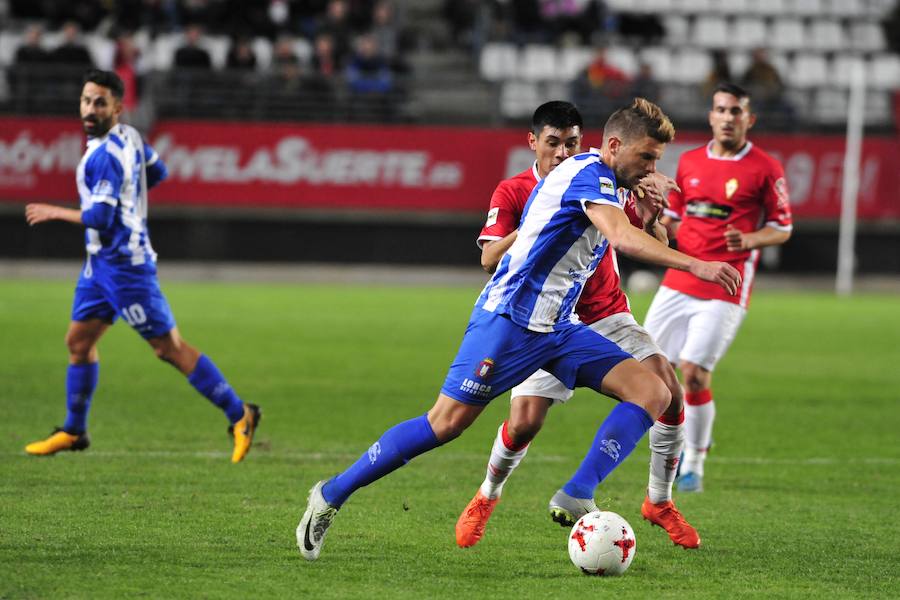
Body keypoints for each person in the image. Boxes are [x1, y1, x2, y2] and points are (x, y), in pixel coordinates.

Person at [296, 98, 741, 561]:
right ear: (614, 145)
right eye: (647, 157)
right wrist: (698, 266)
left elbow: (637, 232)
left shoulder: (611, 179)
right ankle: (330, 494)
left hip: (559, 327)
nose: (652, 167)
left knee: (655, 392)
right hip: (508, 323)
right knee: (445, 424)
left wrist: (649, 212)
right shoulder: (588, 175)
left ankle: (577, 492)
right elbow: (622, 239)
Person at [454, 101, 700, 550]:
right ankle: (486, 496)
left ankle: (659, 501)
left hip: (606, 310)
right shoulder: (514, 190)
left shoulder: (606, 178)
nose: (563, 153)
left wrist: (651, 215)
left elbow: (651, 238)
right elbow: (490, 258)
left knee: (668, 387)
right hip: (542, 318)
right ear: (534, 143)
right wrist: (540, 215)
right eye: (553, 144)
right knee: (525, 421)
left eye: (571, 143)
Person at [23, 69, 261, 463]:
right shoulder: (129, 136)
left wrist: (53, 211)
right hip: (99, 265)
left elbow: (98, 217)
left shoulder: (103, 157)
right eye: (86, 100)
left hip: (125, 267)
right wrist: (130, 202)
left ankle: (241, 414)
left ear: (117, 107)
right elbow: (159, 171)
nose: (90, 108)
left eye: (100, 102)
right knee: (78, 343)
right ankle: (74, 429)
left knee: (168, 348)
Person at [644, 83, 793, 493]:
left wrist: (748, 240)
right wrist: (655, 224)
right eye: (721, 110)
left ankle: (693, 463)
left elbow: (782, 228)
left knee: (692, 373)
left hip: (726, 284)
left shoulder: (765, 168)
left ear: (749, 119)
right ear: (711, 116)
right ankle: (666, 452)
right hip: (680, 278)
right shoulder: (689, 162)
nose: (728, 117)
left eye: (736, 111)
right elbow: (672, 220)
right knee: (649, 369)